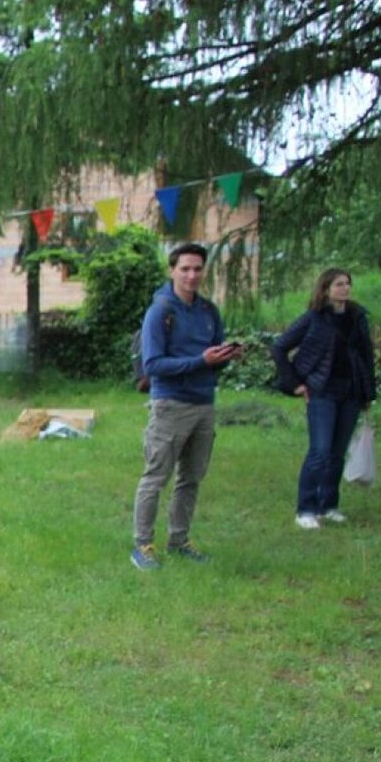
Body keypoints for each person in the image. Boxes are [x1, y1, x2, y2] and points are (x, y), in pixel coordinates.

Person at [129, 242, 244, 570]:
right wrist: (200, 360)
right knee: (156, 476)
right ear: (172, 271)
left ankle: (179, 540)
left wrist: (225, 357)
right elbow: (153, 365)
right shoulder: (160, 311)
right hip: (170, 404)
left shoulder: (209, 311)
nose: (192, 275)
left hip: (204, 403)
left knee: (191, 477)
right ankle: (143, 545)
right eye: (185, 269)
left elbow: (212, 360)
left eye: (197, 269)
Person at [271, 268, 377, 528]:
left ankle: (328, 505)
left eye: (347, 284)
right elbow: (279, 347)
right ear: (326, 289)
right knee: (319, 451)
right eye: (339, 284)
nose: (345, 289)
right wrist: (294, 383)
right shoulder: (314, 318)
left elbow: (366, 356)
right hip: (322, 392)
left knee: (337, 453)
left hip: (350, 392)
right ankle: (305, 509)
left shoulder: (357, 317)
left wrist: (367, 391)